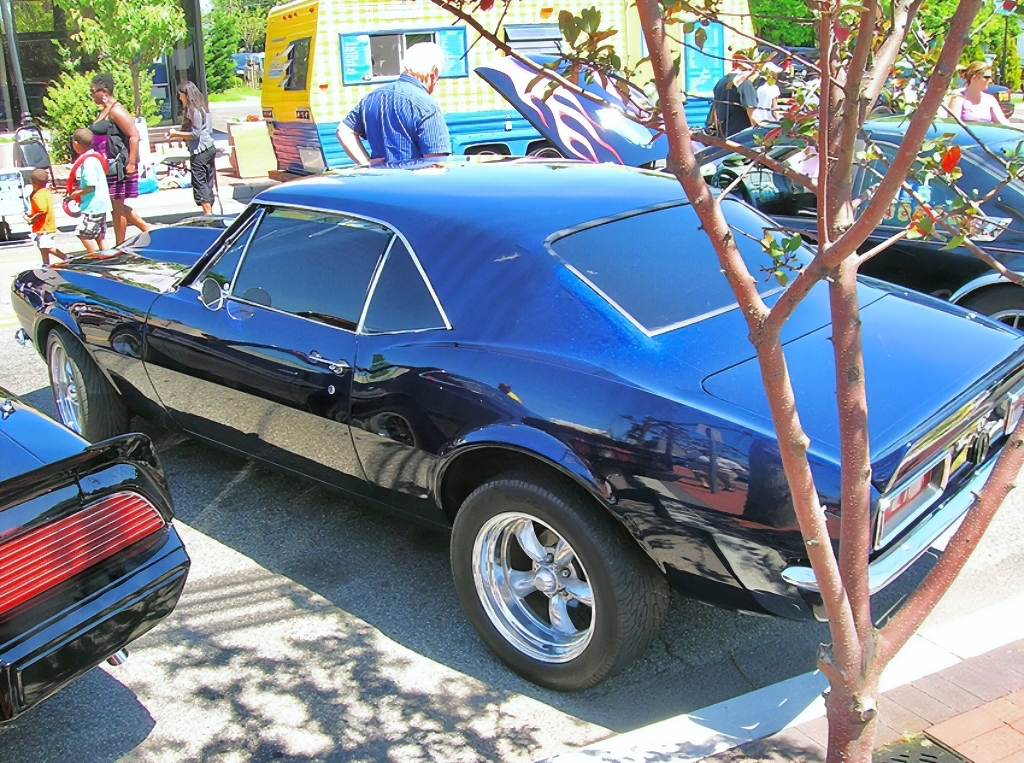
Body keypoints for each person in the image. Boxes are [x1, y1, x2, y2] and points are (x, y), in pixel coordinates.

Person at [336, 42, 452, 165]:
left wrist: (365, 162)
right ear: (433, 74)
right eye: (438, 78)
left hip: (380, 181)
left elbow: (343, 131)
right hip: (414, 182)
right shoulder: (426, 105)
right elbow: (435, 162)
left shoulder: (372, 98)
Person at [88, 73, 151, 244]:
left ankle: (120, 244)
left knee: (117, 207)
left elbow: (134, 135)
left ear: (104, 91)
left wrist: (131, 163)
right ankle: (147, 229)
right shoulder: (105, 111)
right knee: (115, 206)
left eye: (93, 91)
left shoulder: (116, 110)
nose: (91, 95)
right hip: (108, 165)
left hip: (120, 165)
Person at [168, 80, 216, 215]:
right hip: (208, 148)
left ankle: (208, 214)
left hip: (200, 150)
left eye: (180, 94)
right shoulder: (202, 108)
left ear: (186, 94)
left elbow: (195, 134)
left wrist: (175, 134)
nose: (179, 97)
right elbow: (208, 129)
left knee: (200, 183)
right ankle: (210, 213)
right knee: (207, 182)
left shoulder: (194, 110)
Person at [68, 128, 112, 254]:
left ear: (75, 143)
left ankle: (92, 255)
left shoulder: (87, 162)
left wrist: (77, 193)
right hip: (101, 204)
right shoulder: (95, 158)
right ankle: (107, 256)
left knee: (81, 233)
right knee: (99, 235)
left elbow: (91, 185)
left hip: (93, 205)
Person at [710, 53, 761, 138]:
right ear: (742, 68)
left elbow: (714, 110)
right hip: (740, 137)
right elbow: (753, 117)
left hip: (722, 136)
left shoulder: (720, 82)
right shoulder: (745, 84)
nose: (752, 75)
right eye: (751, 71)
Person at [26, 168, 63, 266]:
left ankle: (65, 257)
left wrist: (32, 219)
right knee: (42, 247)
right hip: (47, 226)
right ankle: (45, 264)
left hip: (44, 227)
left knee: (47, 247)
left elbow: (42, 210)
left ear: (34, 182)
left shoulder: (38, 195)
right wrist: (32, 214)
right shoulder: (45, 192)